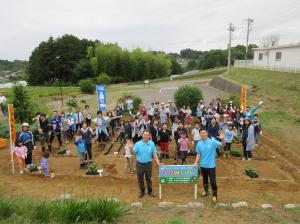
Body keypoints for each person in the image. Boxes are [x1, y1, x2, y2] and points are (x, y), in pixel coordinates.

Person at [194, 129, 224, 203]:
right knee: (205, 180)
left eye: (204, 132)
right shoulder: (199, 143)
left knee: (213, 181)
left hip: (211, 166)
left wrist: (223, 139)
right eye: (201, 133)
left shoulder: (212, 141)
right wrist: (195, 162)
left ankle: (214, 195)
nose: (203, 134)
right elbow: (198, 154)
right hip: (203, 165)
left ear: (207, 133)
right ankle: (205, 191)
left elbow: (222, 145)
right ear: (199, 134)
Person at [133, 130, 163, 198]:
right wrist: (132, 148)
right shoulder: (138, 144)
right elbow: (134, 152)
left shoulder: (151, 143)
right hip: (139, 164)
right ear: (142, 135)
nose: (146, 136)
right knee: (140, 178)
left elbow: (154, 153)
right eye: (145, 135)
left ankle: (150, 191)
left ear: (149, 136)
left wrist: (158, 162)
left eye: (147, 135)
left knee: (149, 178)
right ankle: (142, 191)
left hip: (148, 164)